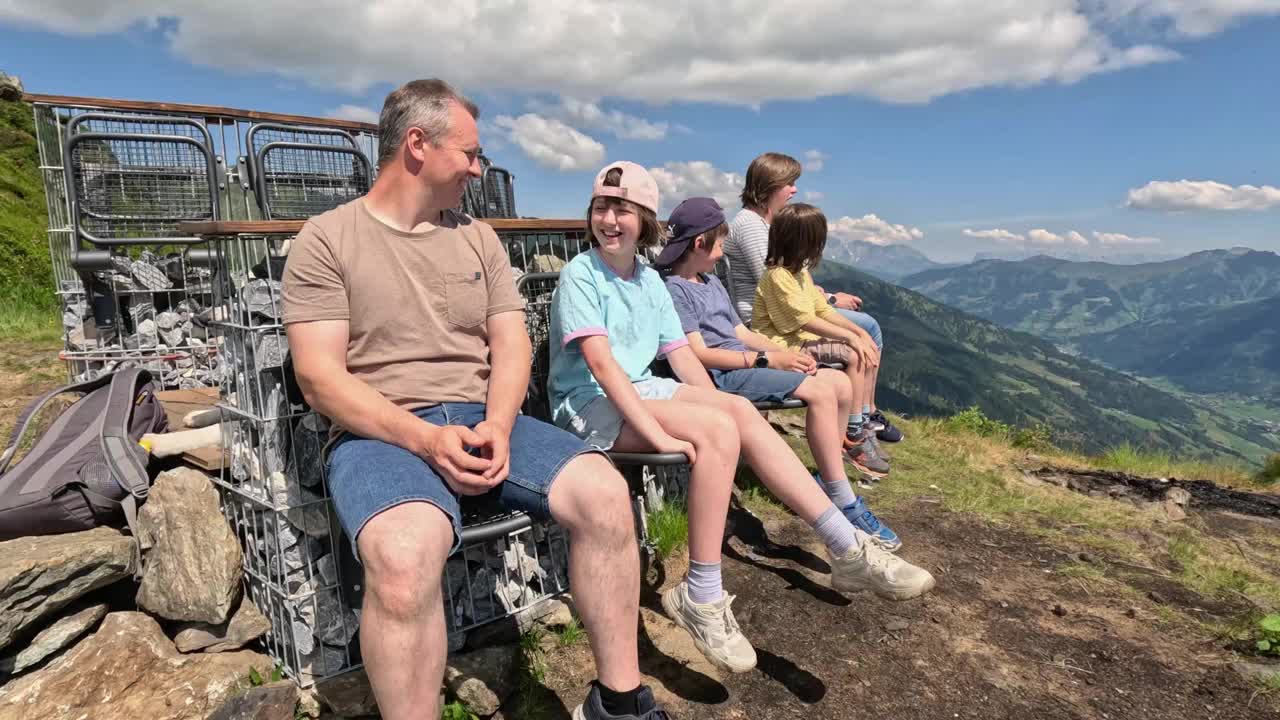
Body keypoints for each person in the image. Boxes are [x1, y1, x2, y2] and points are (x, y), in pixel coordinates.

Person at [282, 79, 669, 720]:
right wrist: (425, 439)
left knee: (604, 494)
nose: (476, 167)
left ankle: (619, 701)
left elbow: (511, 345)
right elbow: (320, 378)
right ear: (417, 145)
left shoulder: (478, 238)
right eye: (469, 152)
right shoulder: (327, 241)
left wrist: (495, 422)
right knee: (404, 554)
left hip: (483, 419)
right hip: (378, 433)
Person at [548, 163, 936, 674]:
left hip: (640, 389)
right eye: (601, 207)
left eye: (623, 209)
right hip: (589, 403)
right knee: (716, 425)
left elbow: (684, 362)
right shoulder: (582, 274)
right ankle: (702, 595)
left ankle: (846, 546)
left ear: (645, 220)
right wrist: (656, 430)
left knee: (734, 412)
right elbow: (600, 364)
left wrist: (718, 409)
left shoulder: (649, 281)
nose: (610, 219)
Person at [658, 196, 907, 548]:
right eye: (720, 243)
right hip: (723, 375)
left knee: (837, 380)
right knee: (821, 390)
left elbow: (740, 332)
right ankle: (843, 499)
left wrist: (781, 353)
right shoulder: (676, 291)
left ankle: (830, 478)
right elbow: (698, 354)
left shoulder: (710, 282)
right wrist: (766, 360)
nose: (723, 250)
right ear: (700, 243)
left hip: (748, 360)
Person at [723, 152, 903, 444]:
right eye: (789, 183)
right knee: (867, 327)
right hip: (766, 321)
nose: (794, 190)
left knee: (865, 327)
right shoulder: (752, 226)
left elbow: (796, 282)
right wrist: (832, 303)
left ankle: (865, 411)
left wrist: (827, 299)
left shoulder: (765, 222)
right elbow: (774, 282)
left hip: (787, 312)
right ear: (770, 185)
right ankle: (863, 416)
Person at [749, 203, 890, 480]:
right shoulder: (778, 276)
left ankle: (857, 422)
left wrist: (859, 334)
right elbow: (804, 320)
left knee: (861, 348)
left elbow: (823, 309)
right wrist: (852, 338)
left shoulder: (798, 272)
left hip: (799, 340)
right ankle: (853, 433)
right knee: (853, 355)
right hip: (784, 346)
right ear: (806, 242)